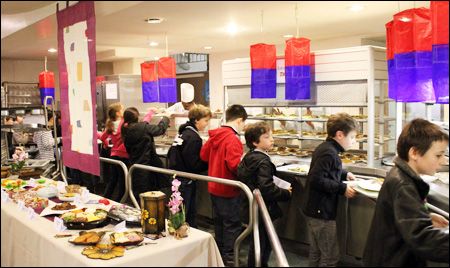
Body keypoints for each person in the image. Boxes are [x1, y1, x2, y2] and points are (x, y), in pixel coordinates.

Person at [363, 118, 449, 267]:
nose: (443, 161)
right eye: (438, 155)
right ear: (414, 153)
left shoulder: (402, 174)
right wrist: (422, 223)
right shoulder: (404, 184)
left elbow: (402, 216)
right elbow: (422, 238)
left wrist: (424, 216)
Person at [302, 112, 358, 267]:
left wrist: (345, 174)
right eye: (352, 137)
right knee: (330, 257)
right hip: (321, 213)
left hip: (313, 209)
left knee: (316, 252)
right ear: (340, 135)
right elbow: (316, 179)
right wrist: (342, 188)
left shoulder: (326, 148)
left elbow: (327, 171)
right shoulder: (329, 152)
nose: (354, 141)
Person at [237, 121, 292, 267]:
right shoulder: (263, 162)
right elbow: (266, 188)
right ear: (255, 142)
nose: (272, 139)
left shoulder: (248, 157)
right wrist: (285, 193)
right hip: (263, 209)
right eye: (267, 137)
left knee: (257, 241)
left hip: (250, 207)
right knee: (263, 243)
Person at [200, 104, 248, 266]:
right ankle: (230, 259)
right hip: (228, 189)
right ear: (240, 120)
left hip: (214, 186)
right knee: (232, 226)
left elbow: (204, 156)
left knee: (219, 224)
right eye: (243, 124)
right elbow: (234, 166)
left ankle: (219, 257)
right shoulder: (233, 139)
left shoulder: (215, 135)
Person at [168, 104, 211, 228]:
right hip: (186, 179)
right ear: (196, 120)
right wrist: (207, 162)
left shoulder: (183, 133)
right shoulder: (194, 138)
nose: (206, 124)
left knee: (178, 210)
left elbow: (171, 153)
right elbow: (193, 164)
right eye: (205, 120)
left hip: (177, 177)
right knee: (187, 211)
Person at [121, 107, 171, 202]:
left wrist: (150, 113)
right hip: (146, 167)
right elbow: (159, 129)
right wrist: (166, 118)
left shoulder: (125, 129)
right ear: (137, 117)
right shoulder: (141, 128)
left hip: (135, 166)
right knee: (148, 196)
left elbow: (145, 125)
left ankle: (141, 213)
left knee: (139, 195)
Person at [99, 102, 129, 202]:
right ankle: (119, 201)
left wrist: (106, 143)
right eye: (121, 109)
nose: (123, 111)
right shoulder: (125, 123)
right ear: (117, 113)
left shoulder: (110, 124)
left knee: (113, 179)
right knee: (122, 181)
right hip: (123, 156)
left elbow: (102, 137)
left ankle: (105, 198)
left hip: (114, 155)